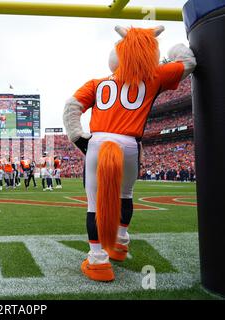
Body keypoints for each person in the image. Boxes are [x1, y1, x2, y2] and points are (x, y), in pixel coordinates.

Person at [63, 25, 196, 282]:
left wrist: (79, 138)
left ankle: (98, 261)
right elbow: (189, 62)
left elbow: (71, 107)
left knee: (94, 204)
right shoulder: (155, 76)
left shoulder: (96, 83)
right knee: (126, 194)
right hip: (130, 145)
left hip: (99, 143)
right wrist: (173, 49)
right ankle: (120, 243)